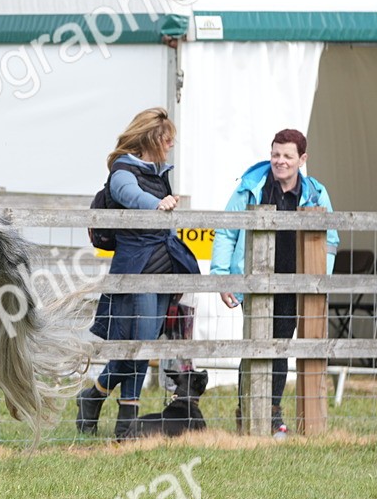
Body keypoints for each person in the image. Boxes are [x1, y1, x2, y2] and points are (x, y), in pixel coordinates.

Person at [77, 108, 200, 439]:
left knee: (144, 343)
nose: (171, 144)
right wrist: (156, 205)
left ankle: (96, 396)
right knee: (139, 344)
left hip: (163, 264)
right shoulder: (123, 170)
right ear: (152, 137)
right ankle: (122, 418)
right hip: (137, 267)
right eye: (167, 138)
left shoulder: (159, 171)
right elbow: (127, 195)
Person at [210, 129, 337, 438]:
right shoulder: (250, 188)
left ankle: (272, 416)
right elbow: (226, 233)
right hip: (254, 282)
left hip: (294, 284)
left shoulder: (316, 193)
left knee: (280, 347)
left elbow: (330, 239)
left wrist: (320, 280)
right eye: (275, 154)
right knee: (254, 347)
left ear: (302, 159)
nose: (280, 161)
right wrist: (223, 276)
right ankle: (248, 415)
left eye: (287, 156)